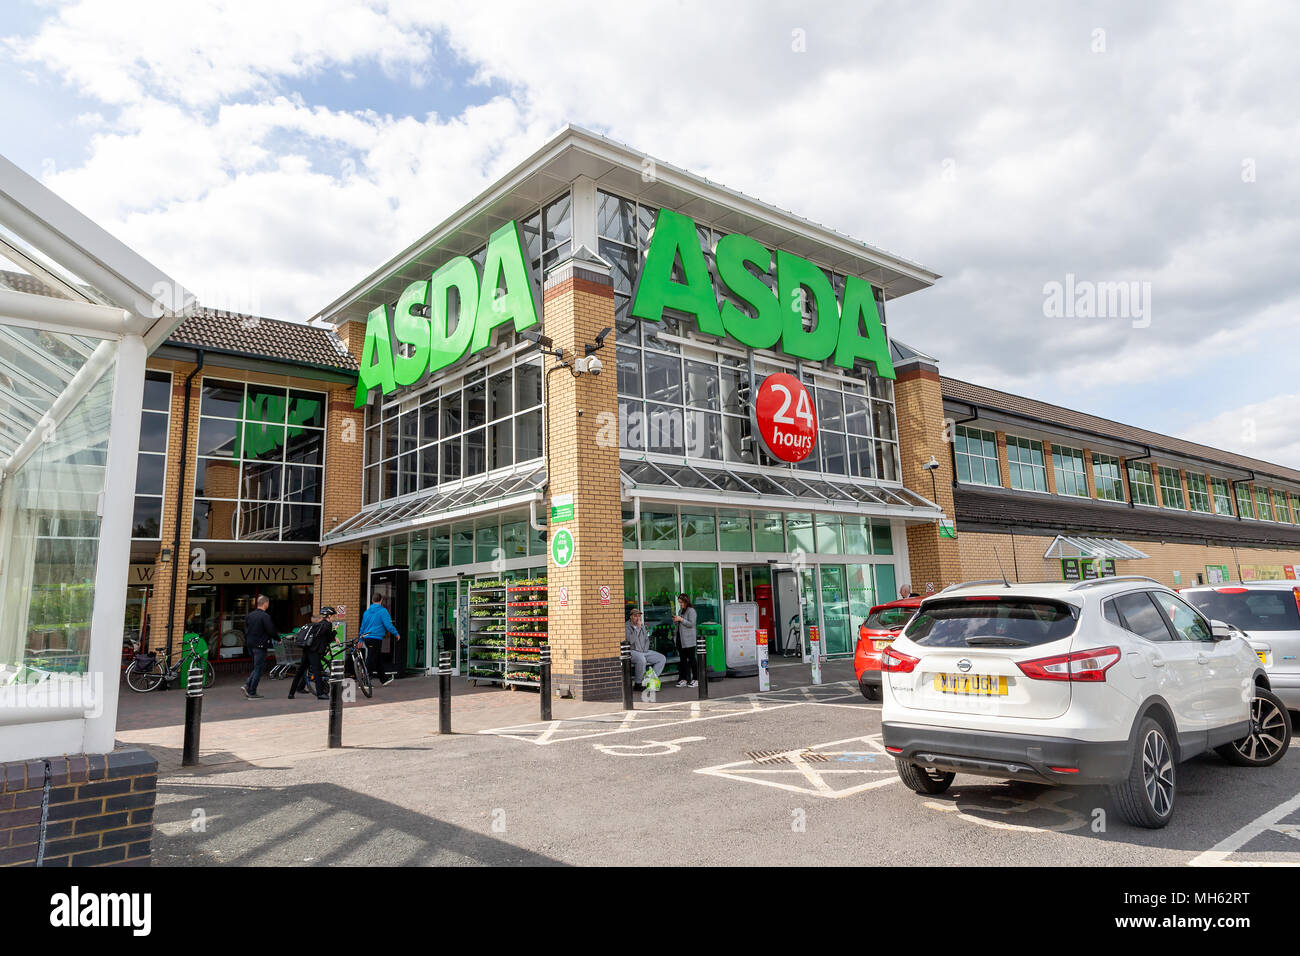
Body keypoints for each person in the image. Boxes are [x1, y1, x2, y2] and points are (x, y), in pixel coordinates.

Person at [289, 606, 335, 701]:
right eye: (333, 616)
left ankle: (291, 693)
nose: (333, 618)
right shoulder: (327, 625)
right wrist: (335, 631)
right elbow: (329, 639)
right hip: (314, 651)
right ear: (329, 616)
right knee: (317, 671)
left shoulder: (318, 624)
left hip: (307, 649)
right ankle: (320, 694)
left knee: (300, 671)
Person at [358, 591, 401, 686]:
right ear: (381, 600)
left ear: (372, 600)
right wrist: (396, 633)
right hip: (375, 638)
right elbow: (388, 625)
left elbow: (362, 626)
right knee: (372, 658)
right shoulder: (383, 611)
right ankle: (365, 681)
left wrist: (360, 639)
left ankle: (384, 679)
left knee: (377, 658)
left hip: (366, 638)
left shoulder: (367, 612)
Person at [241, 594, 276, 700]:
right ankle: (252, 691)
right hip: (260, 645)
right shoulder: (265, 616)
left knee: (257, 667)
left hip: (250, 644)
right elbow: (270, 630)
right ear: (265, 603)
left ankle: (247, 685)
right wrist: (277, 638)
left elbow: (246, 628)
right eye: (268, 603)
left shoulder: (250, 615)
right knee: (259, 668)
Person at [625, 608, 666, 689]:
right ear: (631, 617)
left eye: (639, 616)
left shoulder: (642, 626)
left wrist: (645, 649)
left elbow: (646, 639)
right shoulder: (626, 627)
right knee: (641, 659)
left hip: (644, 651)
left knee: (661, 658)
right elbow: (630, 640)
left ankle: (649, 680)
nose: (638, 618)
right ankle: (638, 684)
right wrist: (637, 629)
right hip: (632, 651)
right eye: (635, 616)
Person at [672, 593, 698, 688]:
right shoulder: (680, 611)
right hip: (680, 638)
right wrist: (676, 620)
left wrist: (681, 619)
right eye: (679, 602)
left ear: (686, 601)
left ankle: (696, 679)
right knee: (682, 660)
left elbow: (692, 624)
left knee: (691, 659)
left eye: (681, 602)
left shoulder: (691, 611)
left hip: (689, 639)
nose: (680, 604)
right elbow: (679, 625)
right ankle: (684, 679)